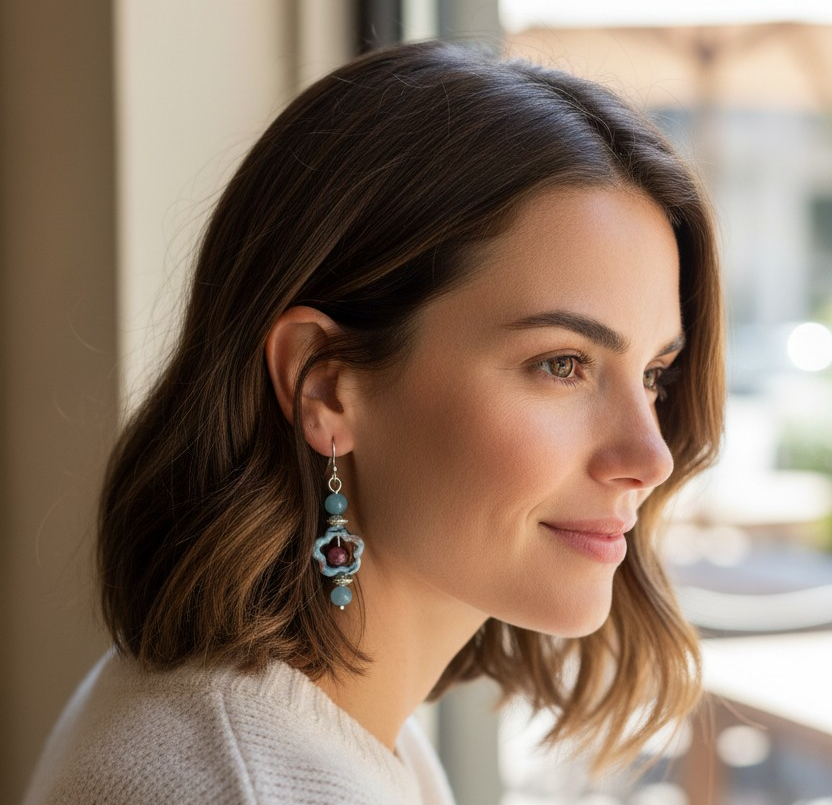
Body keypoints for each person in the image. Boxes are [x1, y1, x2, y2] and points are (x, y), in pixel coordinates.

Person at [23, 39, 724, 804]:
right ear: (325, 386)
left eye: (654, 374)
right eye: (562, 364)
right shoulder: (244, 784)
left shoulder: (286, 721)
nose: (651, 456)